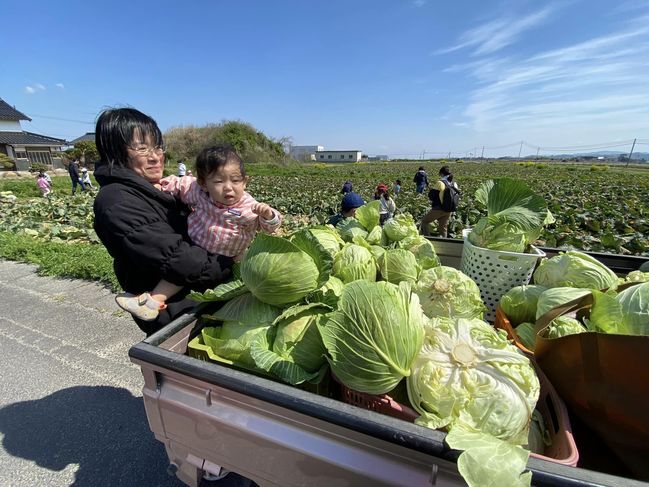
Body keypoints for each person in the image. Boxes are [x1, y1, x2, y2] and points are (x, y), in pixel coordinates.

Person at [92, 107, 233, 335]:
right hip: (178, 314)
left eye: (157, 146)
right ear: (115, 152)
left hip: (200, 299)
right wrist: (229, 262)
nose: (155, 156)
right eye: (141, 148)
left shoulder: (158, 188)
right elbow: (178, 259)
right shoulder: (117, 201)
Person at [115, 145, 282, 322]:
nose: (228, 188)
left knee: (237, 286)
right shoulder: (199, 192)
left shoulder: (249, 207)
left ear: (245, 181)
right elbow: (181, 184)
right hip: (197, 249)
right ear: (203, 183)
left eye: (236, 180)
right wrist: (160, 186)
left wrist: (269, 215)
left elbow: (270, 226)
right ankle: (151, 303)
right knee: (177, 276)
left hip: (228, 257)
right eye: (218, 182)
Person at [420, 165, 459, 238]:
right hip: (449, 209)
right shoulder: (454, 183)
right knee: (443, 228)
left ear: (441, 174)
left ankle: (428, 239)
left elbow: (432, 196)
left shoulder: (440, 183)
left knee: (424, 222)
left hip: (439, 208)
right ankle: (444, 242)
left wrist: (431, 191)